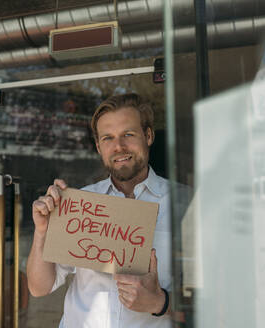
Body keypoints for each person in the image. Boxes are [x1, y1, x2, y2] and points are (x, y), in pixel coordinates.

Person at [27, 93, 172, 327]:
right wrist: (42, 231)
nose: (119, 147)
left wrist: (160, 303)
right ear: (98, 146)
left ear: (148, 135)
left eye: (128, 134)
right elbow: (39, 287)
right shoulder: (80, 204)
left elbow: (216, 299)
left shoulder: (183, 202)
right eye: (108, 138)